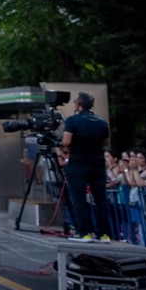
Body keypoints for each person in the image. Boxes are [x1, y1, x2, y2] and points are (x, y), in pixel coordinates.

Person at [62, 91, 112, 242]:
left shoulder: (73, 120)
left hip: (78, 163)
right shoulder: (102, 122)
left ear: (79, 104)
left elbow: (66, 142)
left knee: (79, 198)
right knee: (100, 199)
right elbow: (106, 142)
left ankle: (84, 232)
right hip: (97, 163)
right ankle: (103, 234)